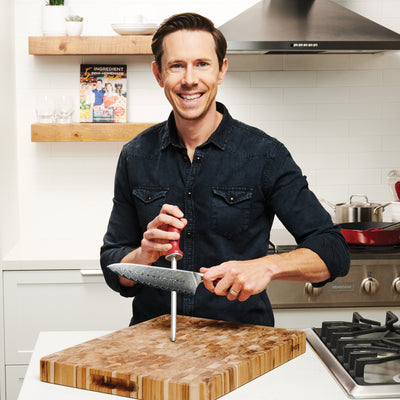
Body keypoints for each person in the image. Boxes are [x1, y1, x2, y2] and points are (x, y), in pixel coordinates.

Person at [100, 12, 350, 327]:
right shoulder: (135, 155)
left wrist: (267, 267)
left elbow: (333, 250)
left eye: (202, 64)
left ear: (222, 70)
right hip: (155, 346)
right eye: (177, 65)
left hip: (243, 347)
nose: (189, 79)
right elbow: (112, 263)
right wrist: (143, 255)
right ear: (158, 73)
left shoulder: (265, 154)